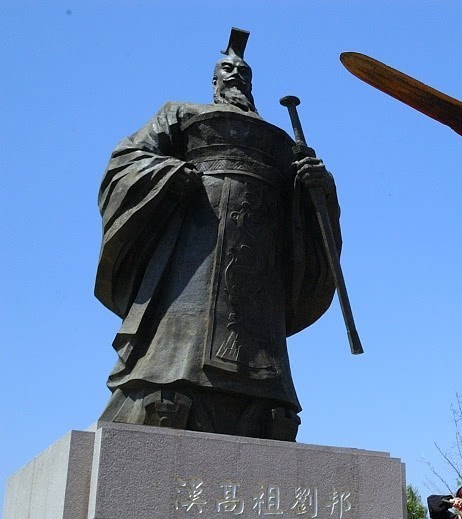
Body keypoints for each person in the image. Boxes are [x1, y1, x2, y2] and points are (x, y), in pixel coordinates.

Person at [94, 28, 341, 441]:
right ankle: (165, 388)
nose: (236, 77)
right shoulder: (178, 113)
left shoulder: (280, 141)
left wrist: (314, 187)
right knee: (178, 342)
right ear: (214, 79)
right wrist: (170, 175)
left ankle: (264, 405)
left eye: (244, 73)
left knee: (258, 346)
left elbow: (302, 207)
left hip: (259, 255)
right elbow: (126, 160)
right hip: (195, 244)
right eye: (228, 69)